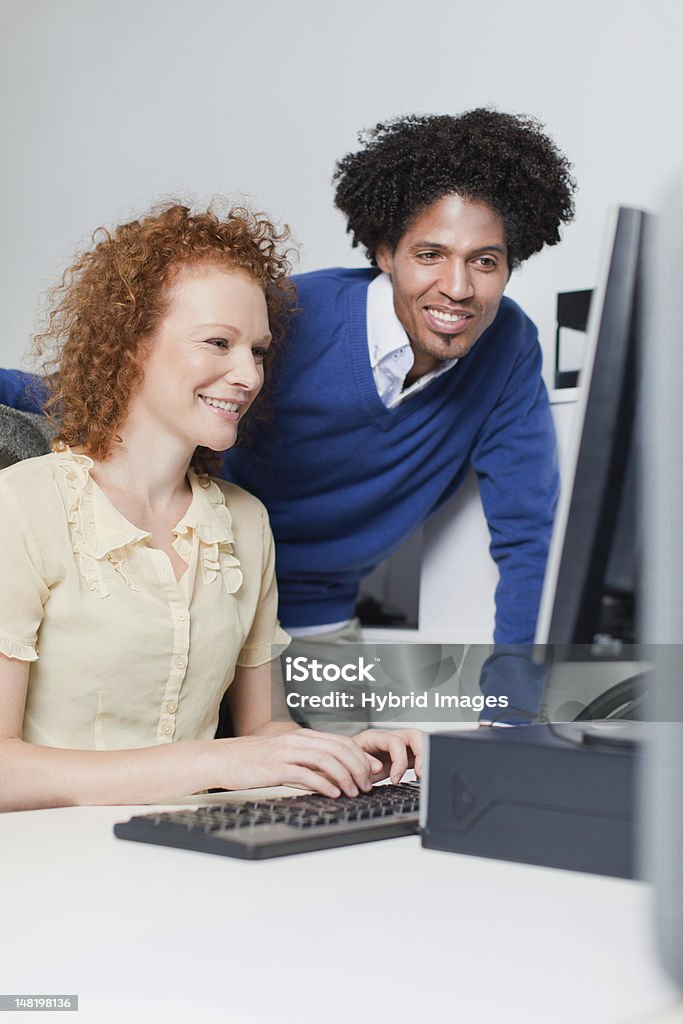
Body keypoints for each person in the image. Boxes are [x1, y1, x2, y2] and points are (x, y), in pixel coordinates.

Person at [0, 202, 421, 813]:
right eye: (218, 343)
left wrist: (344, 752)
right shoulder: (22, 504)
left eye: (257, 350)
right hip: (50, 871)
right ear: (130, 347)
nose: (247, 375)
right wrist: (219, 760)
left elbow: (260, 734)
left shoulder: (246, 522)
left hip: (195, 853)